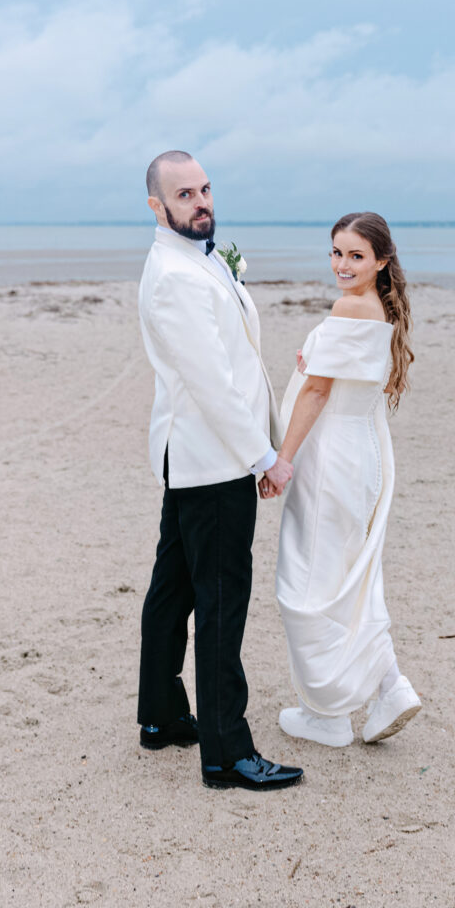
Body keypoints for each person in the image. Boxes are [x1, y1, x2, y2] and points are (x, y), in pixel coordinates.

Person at [136, 150, 303, 791]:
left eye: (205, 189)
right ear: (157, 206)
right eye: (185, 194)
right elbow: (211, 383)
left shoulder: (195, 259)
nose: (202, 201)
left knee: (174, 589)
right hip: (213, 461)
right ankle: (227, 754)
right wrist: (263, 456)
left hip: (194, 454)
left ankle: (160, 715)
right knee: (221, 602)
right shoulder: (174, 277)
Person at [262, 212, 421, 747]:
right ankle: (390, 685)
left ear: (381, 260)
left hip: (332, 458)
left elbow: (317, 391)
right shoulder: (379, 306)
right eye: (336, 252)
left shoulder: (350, 306)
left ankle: (327, 714)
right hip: (362, 454)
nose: (342, 265)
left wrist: (282, 459)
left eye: (356, 255)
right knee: (347, 576)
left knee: (307, 584)